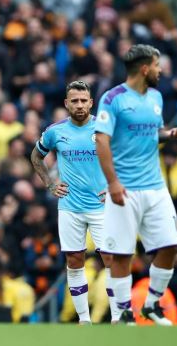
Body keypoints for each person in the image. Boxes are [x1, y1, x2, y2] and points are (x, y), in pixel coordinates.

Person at [94, 44, 177, 325]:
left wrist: (168, 134)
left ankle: (151, 305)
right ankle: (124, 313)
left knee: (170, 245)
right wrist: (113, 182)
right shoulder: (113, 98)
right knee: (122, 253)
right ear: (145, 69)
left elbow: (152, 131)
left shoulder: (156, 97)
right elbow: (101, 140)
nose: (161, 71)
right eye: (157, 66)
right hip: (125, 188)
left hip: (155, 186)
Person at [30, 80, 116, 324]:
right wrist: (50, 184)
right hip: (70, 207)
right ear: (66, 104)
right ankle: (84, 319)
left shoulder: (105, 127)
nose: (79, 105)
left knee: (111, 260)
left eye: (83, 101)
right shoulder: (55, 131)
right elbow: (36, 156)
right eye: (74, 101)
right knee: (74, 261)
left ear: (91, 102)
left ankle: (118, 316)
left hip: (102, 206)